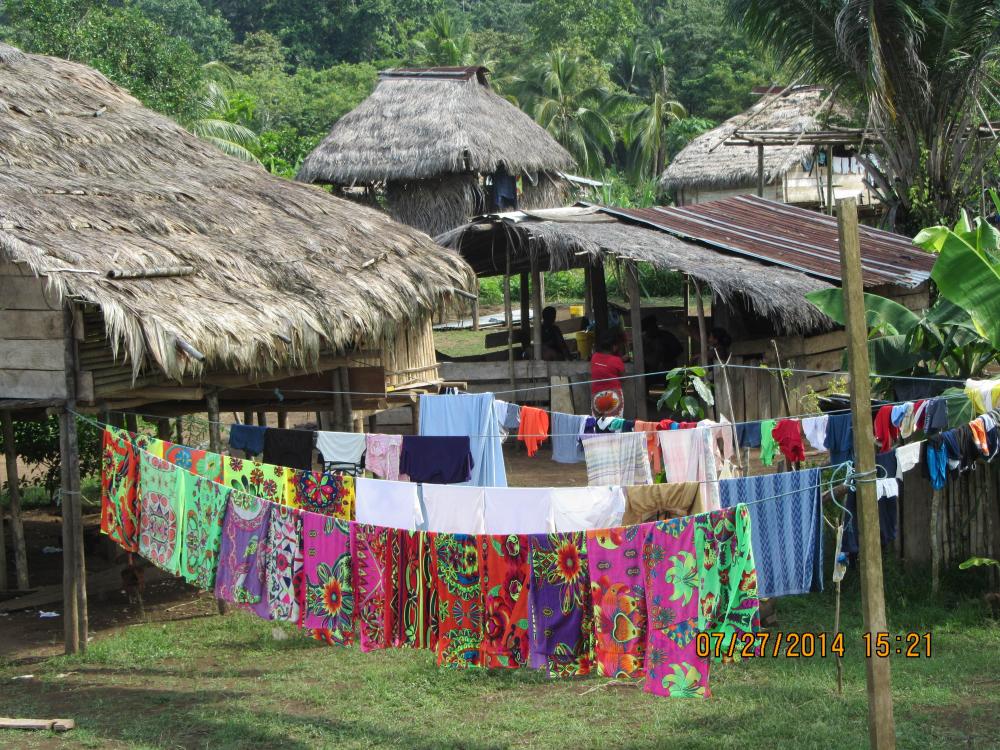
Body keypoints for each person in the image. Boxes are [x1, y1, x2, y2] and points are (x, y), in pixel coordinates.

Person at [591, 332, 626, 417]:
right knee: (615, 425)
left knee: (597, 424)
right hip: (613, 396)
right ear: (614, 347)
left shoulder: (594, 357)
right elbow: (623, 378)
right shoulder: (617, 360)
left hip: (597, 397)